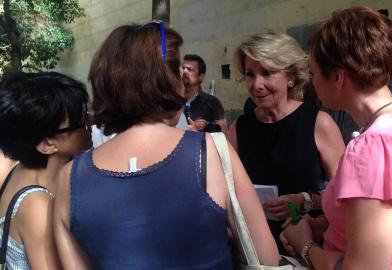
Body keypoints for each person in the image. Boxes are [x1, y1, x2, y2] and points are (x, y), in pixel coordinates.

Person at [53, 21, 278, 269]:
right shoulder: (212, 151)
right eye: (180, 75)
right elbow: (265, 258)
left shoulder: (68, 179)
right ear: (169, 81)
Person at [281, 6, 392, 270]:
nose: (311, 82)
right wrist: (333, 225)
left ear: (337, 77)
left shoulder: (371, 147)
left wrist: (304, 245)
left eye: (313, 73)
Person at [228, 30, 345, 254]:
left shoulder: (319, 123)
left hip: (307, 246)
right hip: (255, 249)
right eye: (250, 74)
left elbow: (345, 197)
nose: (257, 84)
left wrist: (304, 201)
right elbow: (227, 190)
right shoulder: (239, 128)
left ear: (290, 76)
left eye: (268, 72)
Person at [0, 71, 91, 269]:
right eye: (81, 122)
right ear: (47, 144)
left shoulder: (20, 171)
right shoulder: (37, 205)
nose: (91, 123)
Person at [182, 54, 228, 134]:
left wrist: (205, 129)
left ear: (201, 77)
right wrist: (189, 128)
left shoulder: (212, 102)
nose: (185, 71)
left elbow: (223, 135)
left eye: (190, 69)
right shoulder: (174, 101)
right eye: (183, 68)